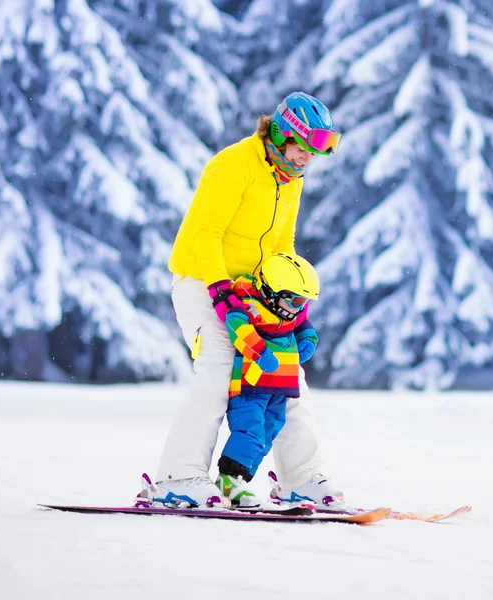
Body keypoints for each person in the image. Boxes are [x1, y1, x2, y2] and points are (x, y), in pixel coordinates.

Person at [154, 91, 344, 508]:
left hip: (254, 294)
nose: (306, 160)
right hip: (201, 282)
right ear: (280, 134)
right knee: (219, 369)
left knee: (289, 378)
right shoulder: (232, 165)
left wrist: (292, 301)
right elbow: (207, 233)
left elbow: (283, 243)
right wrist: (219, 289)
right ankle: (178, 476)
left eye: (315, 153)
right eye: (301, 148)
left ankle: (301, 477)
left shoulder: (290, 177)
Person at [214, 252, 322, 508]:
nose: (299, 308)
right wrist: (259, 351)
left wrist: (309, 339)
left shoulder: (289, 314)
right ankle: (228, 480)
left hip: (279, 388)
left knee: (266, 434)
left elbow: (303, 325)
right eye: (295, 300)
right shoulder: (252, 306)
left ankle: (240, 480)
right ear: (273, 292)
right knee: (249, 431)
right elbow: (237, 324)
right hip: (251, 386)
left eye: (304, 301)